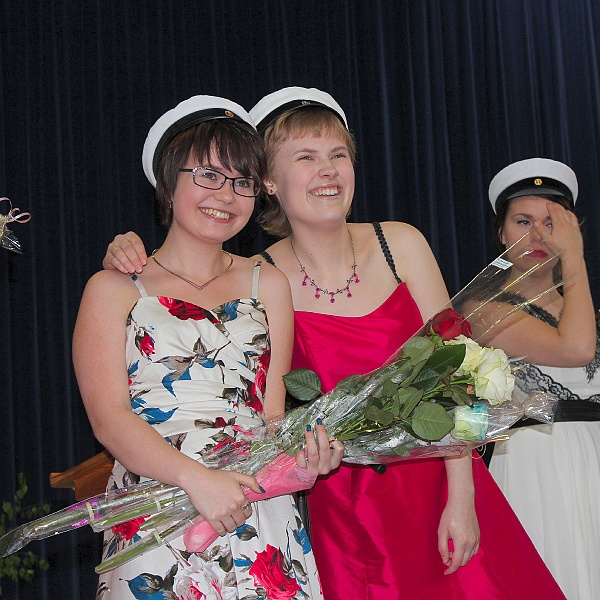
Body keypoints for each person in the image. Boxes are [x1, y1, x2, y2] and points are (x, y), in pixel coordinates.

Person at [102, 88, 566, 599]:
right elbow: (193, 310)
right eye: (306, 157)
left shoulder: (402, 244)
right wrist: (126, 252)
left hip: (441, 485)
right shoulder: (259, 280)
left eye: (338, 155)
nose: (328, 171)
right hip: (344, 508)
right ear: (269, 182)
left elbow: (459, 376)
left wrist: (463, 497)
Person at [74, 95, 342, 599]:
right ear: (168, 181)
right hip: (159, 505)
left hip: (256, 506)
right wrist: (195, 479)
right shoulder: (112, 289)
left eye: (242, 181)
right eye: (208, 175)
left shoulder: (269, 284)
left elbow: (271, 417)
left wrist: (303, 461)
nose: (227, 195)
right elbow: (109, 419)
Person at [477, 158, 600, 600]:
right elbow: (576, 350)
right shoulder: (487, 310)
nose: (538, 236)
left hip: (596, 462)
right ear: (501, 232)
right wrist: (574, 256)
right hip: (536, 465)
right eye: (523, 222)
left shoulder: (595, 315)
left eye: (551, 223)